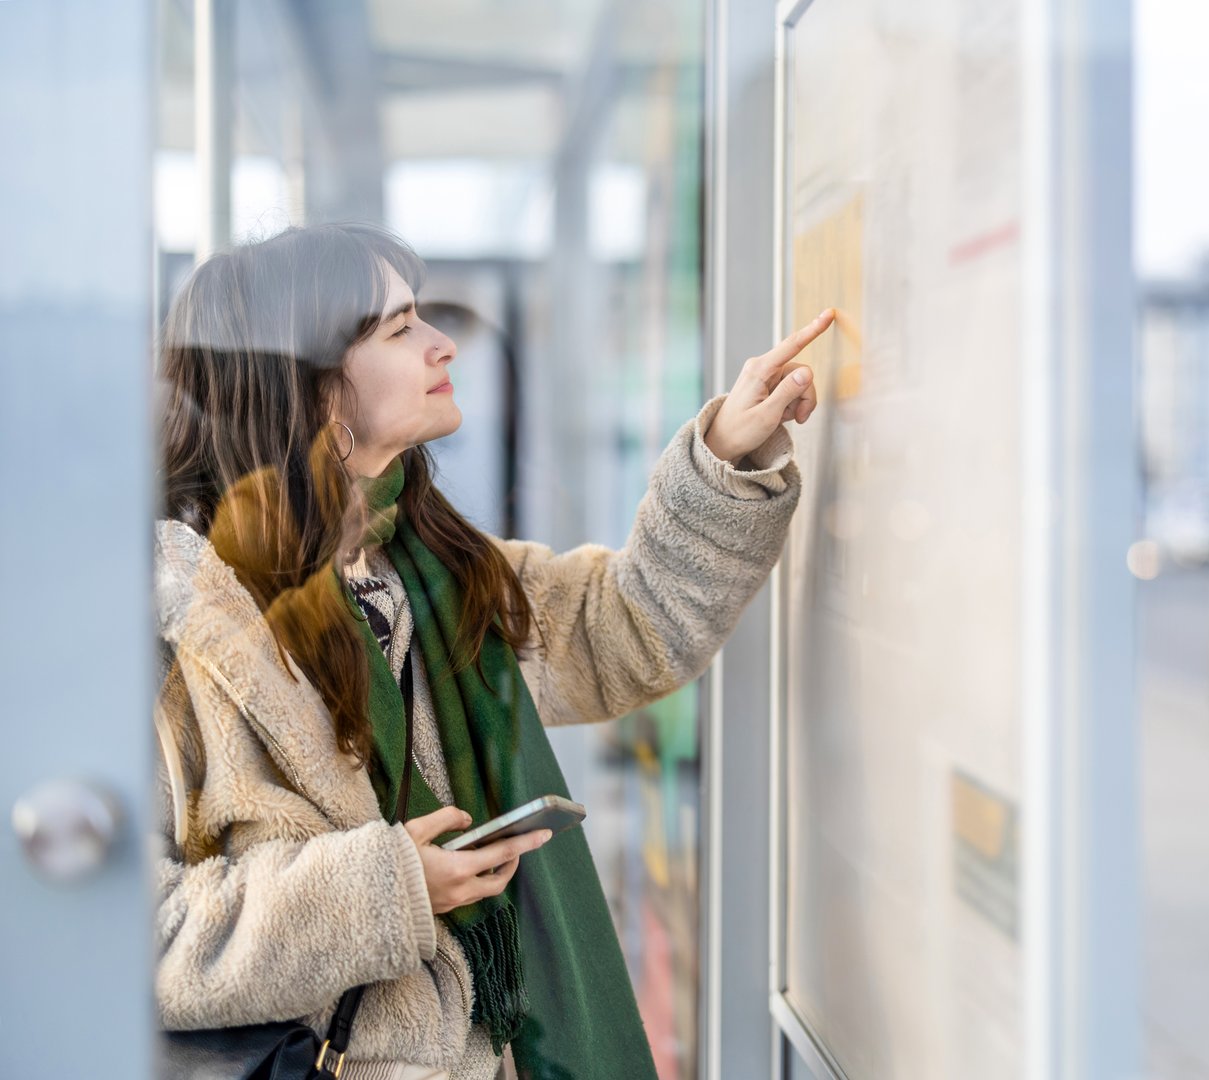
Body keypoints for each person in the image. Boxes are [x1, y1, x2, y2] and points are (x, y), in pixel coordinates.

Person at [151, 222, 832, 1080]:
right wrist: (390, 890)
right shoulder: (174, 629)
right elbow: (137, 937)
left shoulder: (428, 566)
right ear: (318, 392)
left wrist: (726, 454)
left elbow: (622, 625)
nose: (442, 344)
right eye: (401, 329)